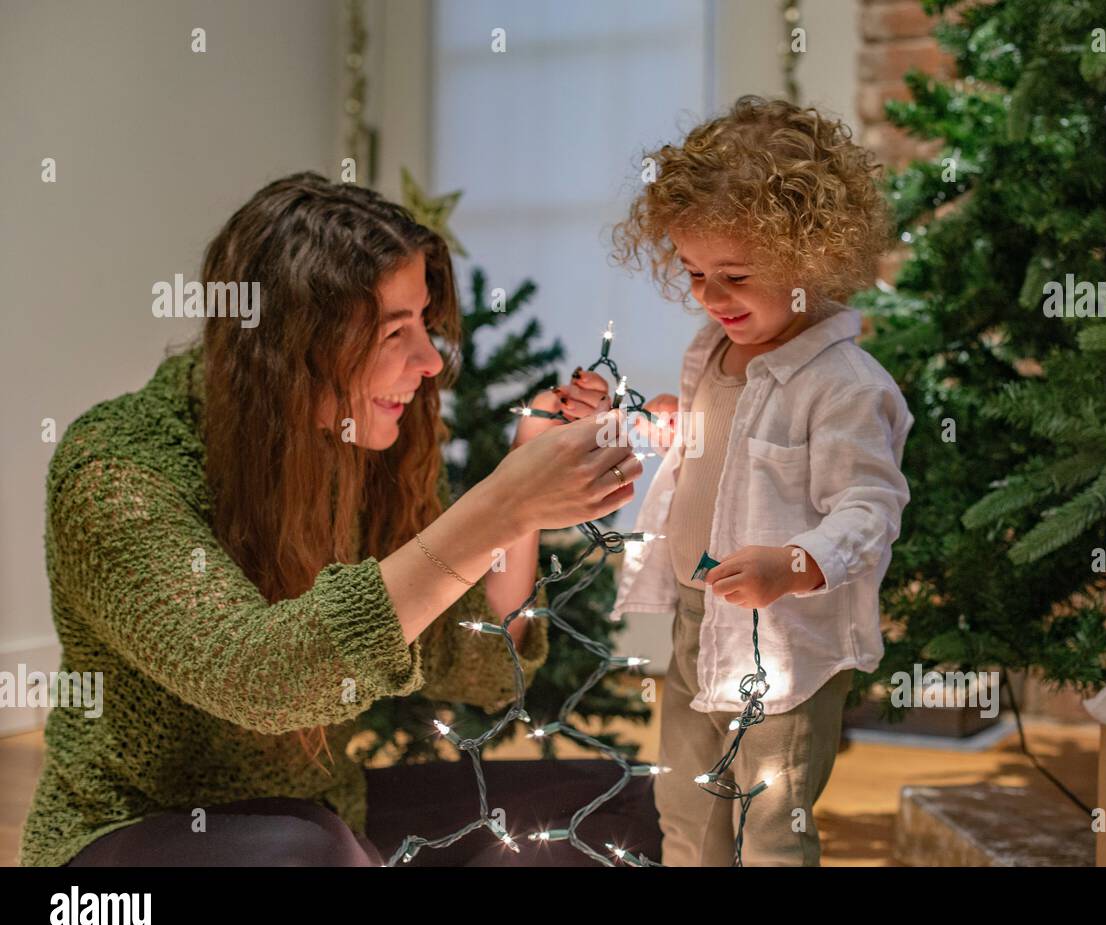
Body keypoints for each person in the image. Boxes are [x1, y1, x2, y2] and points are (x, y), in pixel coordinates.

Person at [20, 171, 649, 867]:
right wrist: (497, 504)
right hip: (119, 854)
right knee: (304, 851)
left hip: (330, 823)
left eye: (425, 323)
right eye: (393, 331)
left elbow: (483, 667)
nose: (429, 361)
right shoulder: (117, 469)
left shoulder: (355, 446)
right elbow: (262, 679)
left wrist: (516, 514)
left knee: (610, 799)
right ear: (295, 344)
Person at [608, 95, 915, 866]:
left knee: (772, 828)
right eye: (694, 273)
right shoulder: (713, 349)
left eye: (734, 277)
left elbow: (871, 505)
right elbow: (732, 444)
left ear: (813, 258)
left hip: (784, 650)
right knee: (685, 809)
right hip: (694, 620)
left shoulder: (844, 383)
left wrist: (797, 562)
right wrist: (680, 424)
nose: (709, 298)